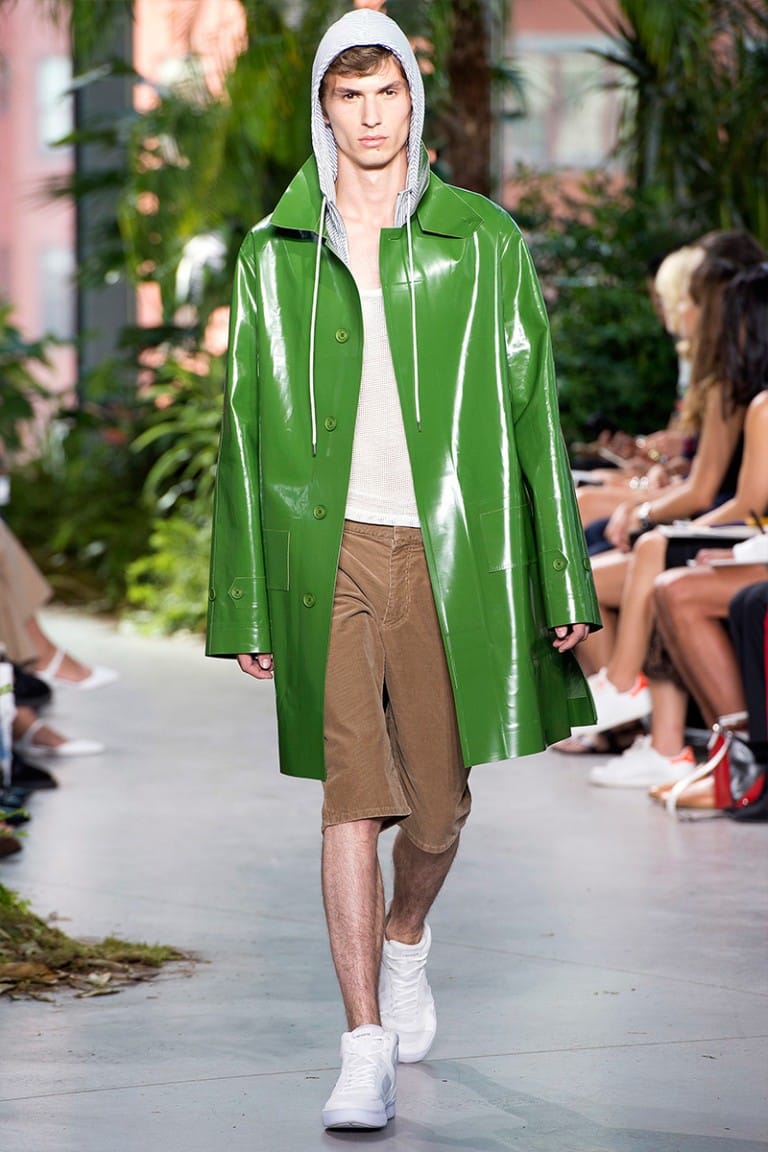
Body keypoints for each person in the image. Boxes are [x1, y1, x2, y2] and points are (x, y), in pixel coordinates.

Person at [206, 9, 600, 1132]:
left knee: (437, 809)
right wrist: (242, 596)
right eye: (350, 96)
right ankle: (362, 1044)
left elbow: (531, 412)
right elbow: (242, 432)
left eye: (388, 94)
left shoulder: (482, 240)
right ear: (323, 109)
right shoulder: (275, 253)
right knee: (350, 799)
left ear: (413, 101)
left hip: (448, 551)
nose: (371, 117)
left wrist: (563, 574)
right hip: (327, 550)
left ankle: (407, 931)